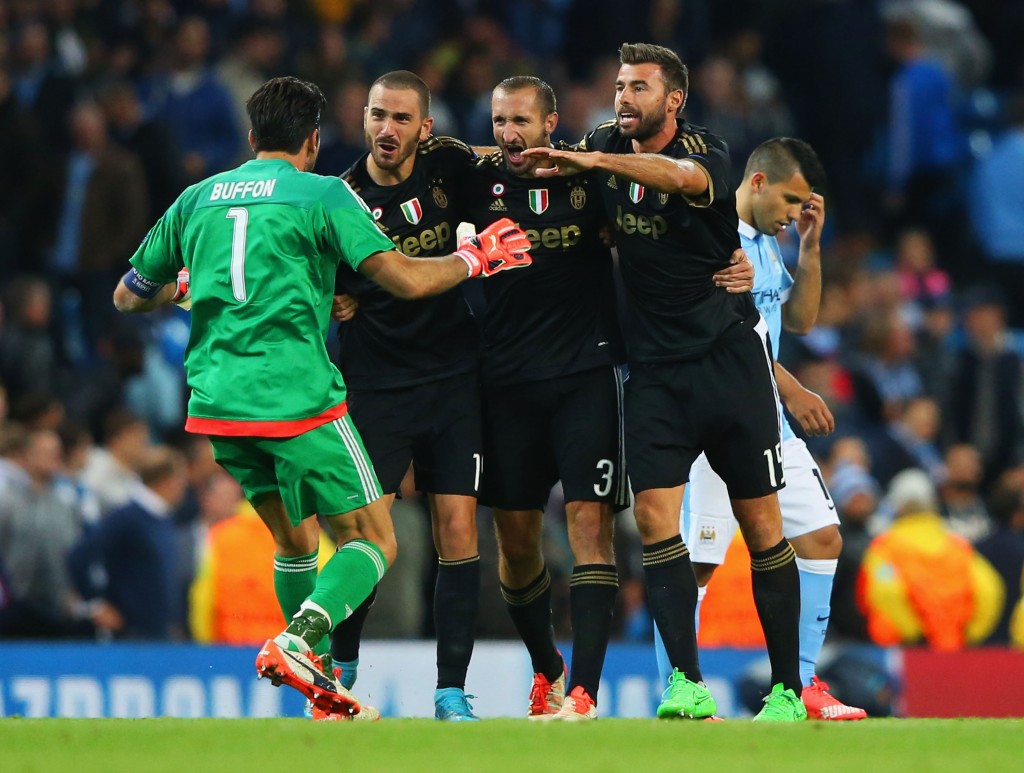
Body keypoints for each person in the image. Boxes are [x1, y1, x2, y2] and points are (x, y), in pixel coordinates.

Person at [111, 76, 532, 717]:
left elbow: (128, 294)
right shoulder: (324, 193)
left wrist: (183, 288)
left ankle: (320, 686)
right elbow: (408, 280)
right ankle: (301, 639)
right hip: (296, 398)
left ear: (252, 138)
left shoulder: (198, 197)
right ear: (313, 140)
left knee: (295, 544)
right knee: (375, 541)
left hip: (217, 403)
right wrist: (476, 259)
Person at [524, 43, 804, 721]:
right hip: (653, 371)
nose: (623, 98)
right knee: (653, 519)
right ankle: (686, 682)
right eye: (619, 86)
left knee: (762, 523)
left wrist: (596, 161)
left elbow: (677, 179)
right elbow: (528, 167)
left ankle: (788, 689)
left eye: (639, 88)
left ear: (672, 100)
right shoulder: (600, 144)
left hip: (726, 362)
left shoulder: (710, 151)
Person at [460, 75, 752, 721]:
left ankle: (585, 692)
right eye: (499, 121)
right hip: (504, 382)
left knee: (589, 527)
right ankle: (547, 667)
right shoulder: (476, 181)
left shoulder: (589, 176)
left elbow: (671, 226)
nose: (509, 134)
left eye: (521, 122)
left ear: (550, 124)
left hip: (587, 376)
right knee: (515, 544)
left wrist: (739, 260)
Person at [652, 137, 867, 719]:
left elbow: (795, 319)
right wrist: (793, 387)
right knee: (697, 562)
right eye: (792, 201)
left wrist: (811, 247)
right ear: (756, 183)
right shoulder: (714, 238)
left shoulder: (772, 243)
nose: (794, 214)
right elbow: (727, 336)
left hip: (769, 423)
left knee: (822, 537)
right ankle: (679, 686)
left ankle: (800, 685)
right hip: (715, 420)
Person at [328, 70, 486, 722]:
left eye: (400, 118)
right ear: (363, 120)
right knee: (365, 536)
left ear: (426, 127)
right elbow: (315, 280)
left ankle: (450, 691)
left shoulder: (453, 169)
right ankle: (340, 672)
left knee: (458, 531)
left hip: (453, 381)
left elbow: (506, 179)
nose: (386, 130)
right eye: (376, 116)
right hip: (376, 387)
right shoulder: (339, 198)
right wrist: (331, 298)